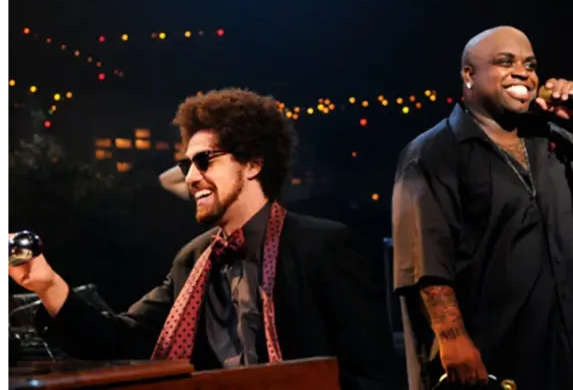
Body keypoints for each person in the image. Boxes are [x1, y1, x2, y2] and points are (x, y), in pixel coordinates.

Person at [8, 88, 399, 390]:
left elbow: (370, 374)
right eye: (186, 164)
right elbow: (121, 341)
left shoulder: (324, 247)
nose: (191, 177)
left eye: (204, 160)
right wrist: (47, 285)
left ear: (253, 163)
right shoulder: (193, 260)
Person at [392, 26, 573, 390]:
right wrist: (453, 338)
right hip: (495, 359)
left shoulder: (557, 136)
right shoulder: (431, 153)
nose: (523, 72)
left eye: (531, 64)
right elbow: (425, 259)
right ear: (469, 75)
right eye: (505, 62)